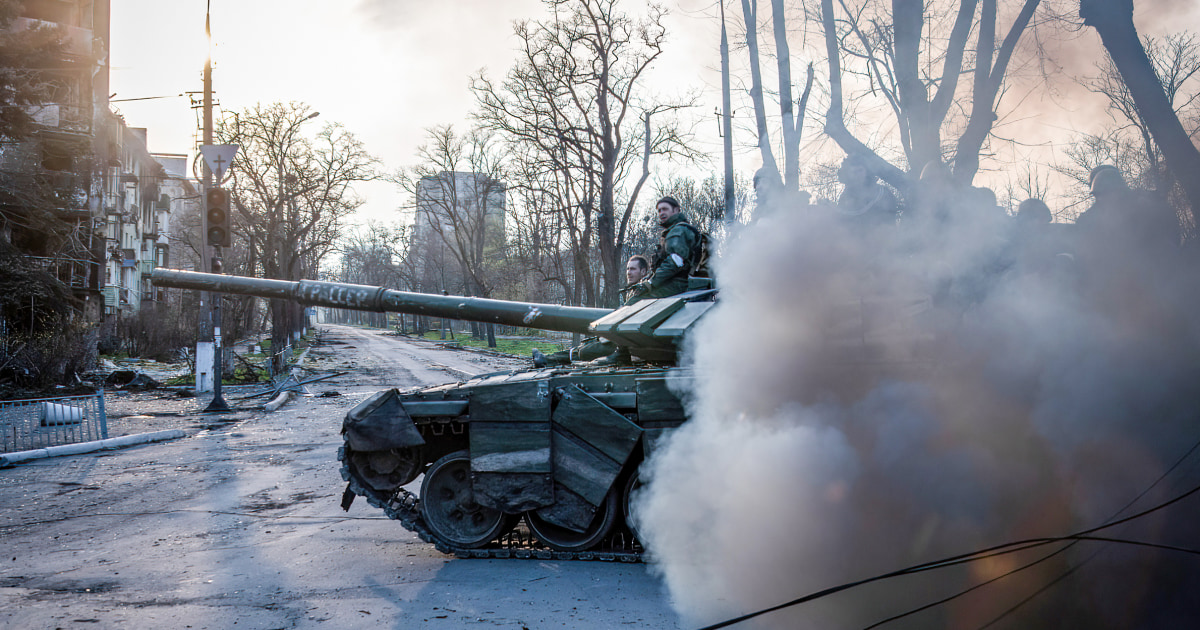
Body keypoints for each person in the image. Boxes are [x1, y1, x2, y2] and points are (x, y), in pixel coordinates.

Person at [531, 255, 651, 368]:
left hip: (629, 345)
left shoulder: (645, 293)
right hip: (620, 341)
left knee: (586, 351)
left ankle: (546, 360)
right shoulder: (634, 291)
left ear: (643, 271)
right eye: (628, 269)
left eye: (633, 269)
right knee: (585, 346)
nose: (629, 273)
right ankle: (546, 358)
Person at [835, 154, 898, 229]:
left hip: (881, 235)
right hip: (855, 238)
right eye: (854, 172)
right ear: (849, 174)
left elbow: (890, 218)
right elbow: (842, 222)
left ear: (867, 171)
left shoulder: (882, 192)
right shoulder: (845, 197)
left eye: (860, 170)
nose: (857, 175)